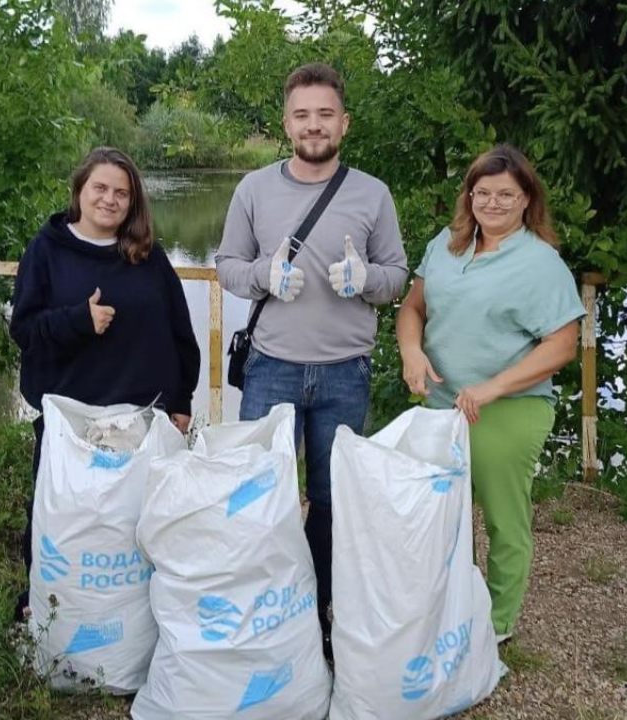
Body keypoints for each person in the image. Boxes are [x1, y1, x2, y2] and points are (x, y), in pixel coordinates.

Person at [215, 63, 408, 660]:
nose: (314, 125)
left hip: (345, 372)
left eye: (325, 114)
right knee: (264, 494)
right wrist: (261, 276)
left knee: (330, 499)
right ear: (285, 122)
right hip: (272, 366)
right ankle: (264, 611)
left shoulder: (372, 193)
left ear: (344, 123)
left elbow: (397, 276)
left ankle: (320, 610)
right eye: (302, 115)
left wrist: (366, 279)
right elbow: (226, 265)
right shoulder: (253, 189)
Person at [396, 144, 584, 644]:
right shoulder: (447, 243)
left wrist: (493, 387)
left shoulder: (540, 262)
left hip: (508, 406)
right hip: (441, 403)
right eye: (483, 192)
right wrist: (412, 353)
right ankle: (451, 605)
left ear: (526, 200)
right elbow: (412, 308)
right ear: (469, 195)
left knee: (503, 518)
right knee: (440, 515)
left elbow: (564, 345)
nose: (493, 203)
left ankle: (495, 626)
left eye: (507, 194)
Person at [9, 146, 200, 620]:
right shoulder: (48, 249)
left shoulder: (147, 256)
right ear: (80, 191)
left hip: (141, 425)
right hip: (71, 427)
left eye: (122, 192)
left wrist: (181, 400)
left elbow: (180, 330)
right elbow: (25, 330)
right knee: (56, 527)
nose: (110, 200)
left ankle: (136, 624)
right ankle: (50, 615)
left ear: (132, 202)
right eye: (100, 188)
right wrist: (79, 320)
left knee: (141, 530)